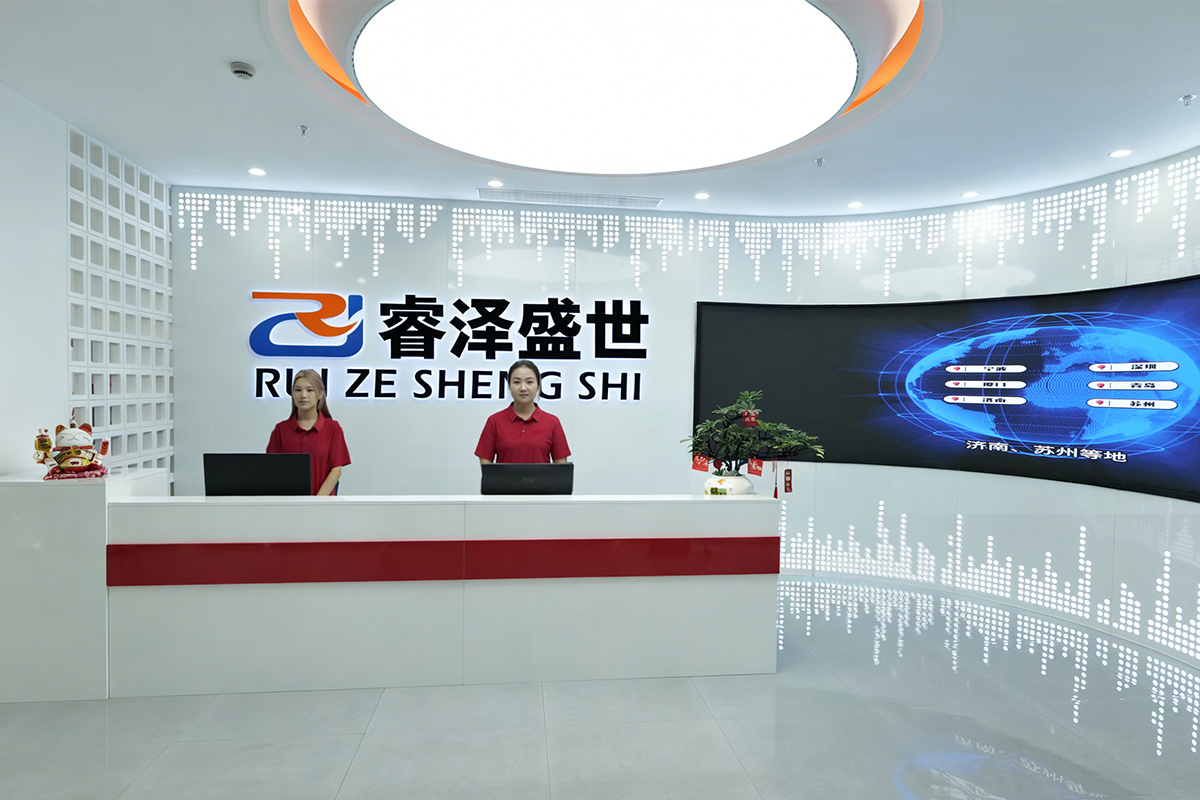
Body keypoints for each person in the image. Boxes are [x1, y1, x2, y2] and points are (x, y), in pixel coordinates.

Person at [266, 369, 350, 496]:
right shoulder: (280, 430)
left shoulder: (333, 429)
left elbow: (336, 470)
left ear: (321, 393)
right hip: (288, 504)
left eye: (310, 390)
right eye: (298, 390)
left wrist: (317, 502)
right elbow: (272, 469)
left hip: (323, 503)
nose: (303, 395)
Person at [476, 359, 570, 464]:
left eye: (529, 382)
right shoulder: (494, 421)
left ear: (538, 385)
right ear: (509, 385)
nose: (523, 388)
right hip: (504, 476)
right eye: (516, 382)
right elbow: (485, 462)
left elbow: (561, 466)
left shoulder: (552, 422)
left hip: (542, 476)